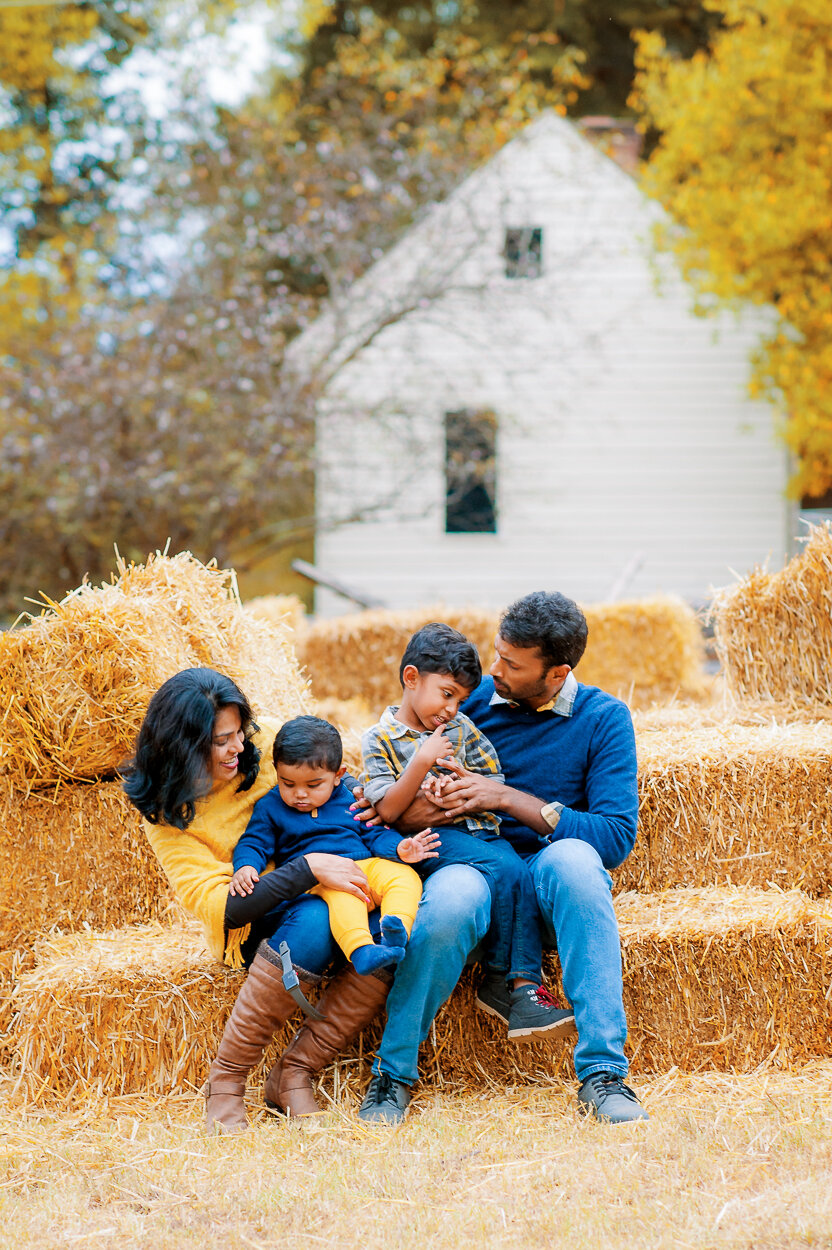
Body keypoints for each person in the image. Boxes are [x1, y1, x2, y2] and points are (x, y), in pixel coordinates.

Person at [357, 592, 648, 1126]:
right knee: (448, 905)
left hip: (543, 870)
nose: (494, 671)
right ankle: (392, 1075)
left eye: (512, 664)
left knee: (579, 865)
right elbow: (405, 749)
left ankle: (604, 1075)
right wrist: (392, 801)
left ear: (557, 673)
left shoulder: (604, 719)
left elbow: (614, 837)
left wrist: (505, 797)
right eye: (497, 654)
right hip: (468, 860)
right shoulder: (470, 699)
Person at [123, 667, 394, 1133]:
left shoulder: (264, 742)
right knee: (313, 919)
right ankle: (226, 1081)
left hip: (327, 887)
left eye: (239, 733)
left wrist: (363, 800)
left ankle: (294, 1073)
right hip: (253, 919)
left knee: (385, 931)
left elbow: (324, 778)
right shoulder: (166, 814)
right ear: (184, 747)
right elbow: (224, 909)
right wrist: (309, 867)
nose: (240, 748)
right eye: (221, 741)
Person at [361, 622, 574, 1040]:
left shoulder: (461, 731)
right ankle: (514, 981)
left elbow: (490, 776)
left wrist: (456, 781)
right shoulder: (379, 738)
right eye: (446, 694)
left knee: (515, 870)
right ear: (411, 678)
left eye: (459, 699)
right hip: (433, 844)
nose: (452, 709)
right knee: (510, 871)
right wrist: (422, 763)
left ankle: (504, 981)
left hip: (478, 833)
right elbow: (386, 807)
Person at [230, 715, 434, 976]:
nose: (300, 794)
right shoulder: (271, 807)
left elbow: (373, 832)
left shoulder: (350, 799)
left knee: (405, 877)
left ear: (338, 776)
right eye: (287, 783)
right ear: (277, 770)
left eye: (314, 785)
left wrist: (399, 848)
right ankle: (361, 950)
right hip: (321, 878)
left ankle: (395, 932)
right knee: (344, 899)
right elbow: (254, 841)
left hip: (364, 865)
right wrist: (246, 865)